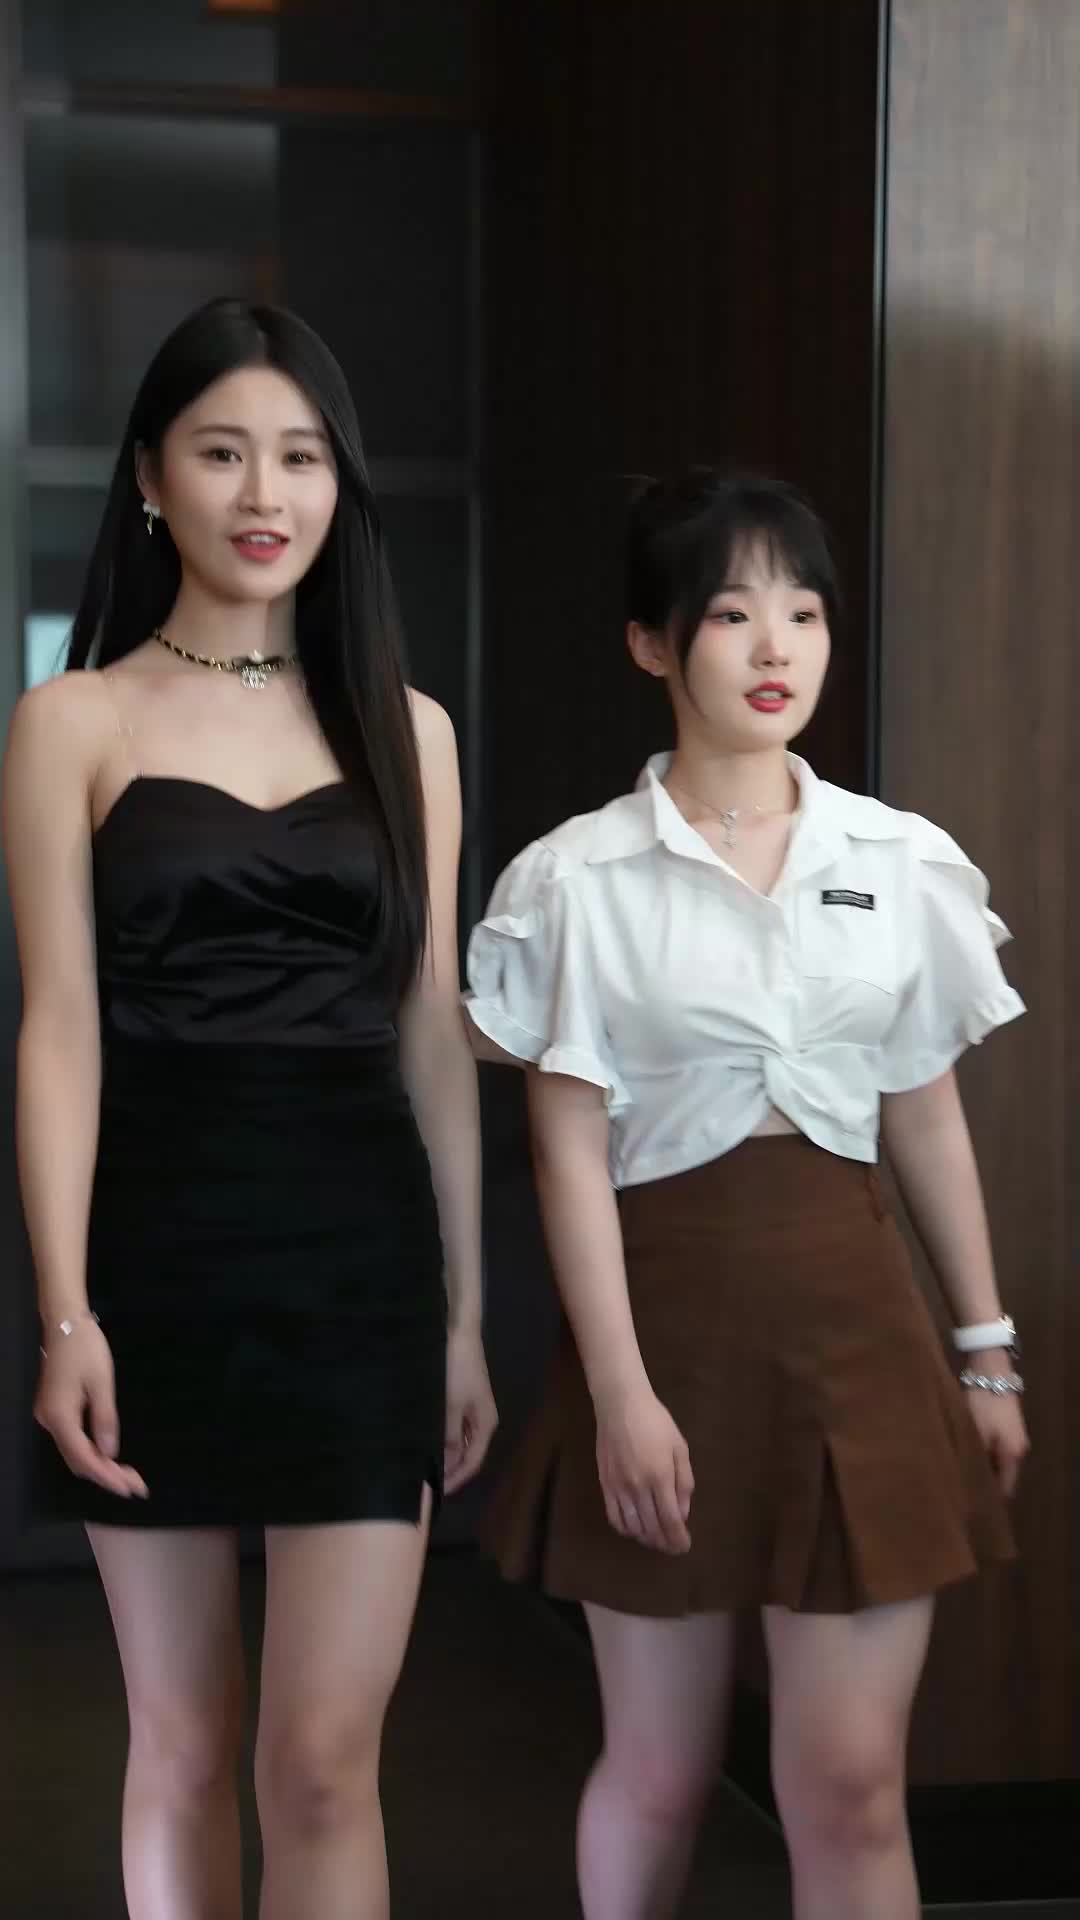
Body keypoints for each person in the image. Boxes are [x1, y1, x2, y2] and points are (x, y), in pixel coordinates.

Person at [465, 468, 1028, 1920]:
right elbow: (566, 1154)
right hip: (660, 1343)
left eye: (803, 612)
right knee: (659, 1770)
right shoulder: (573, 881)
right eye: (730, 614)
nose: (777, 647)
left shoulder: (900, 861)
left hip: (860, 1338)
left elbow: (923, 1112)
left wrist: (985, 1349)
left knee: (850, 1785)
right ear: (652, 643)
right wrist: (621, 1394)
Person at [4, 296, 497, 1920]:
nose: (266, 492)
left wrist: (465, 1319)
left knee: (327, 1764)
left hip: (360, 1267)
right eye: (223, 452)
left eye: (302, 455)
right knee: (184, 1745)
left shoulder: (409, 730)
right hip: (152, 1259)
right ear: (152, 477)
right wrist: (66, 1314)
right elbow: (58, 1032)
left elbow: (432, 1032)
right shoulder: (72, 719)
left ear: (341, 483)